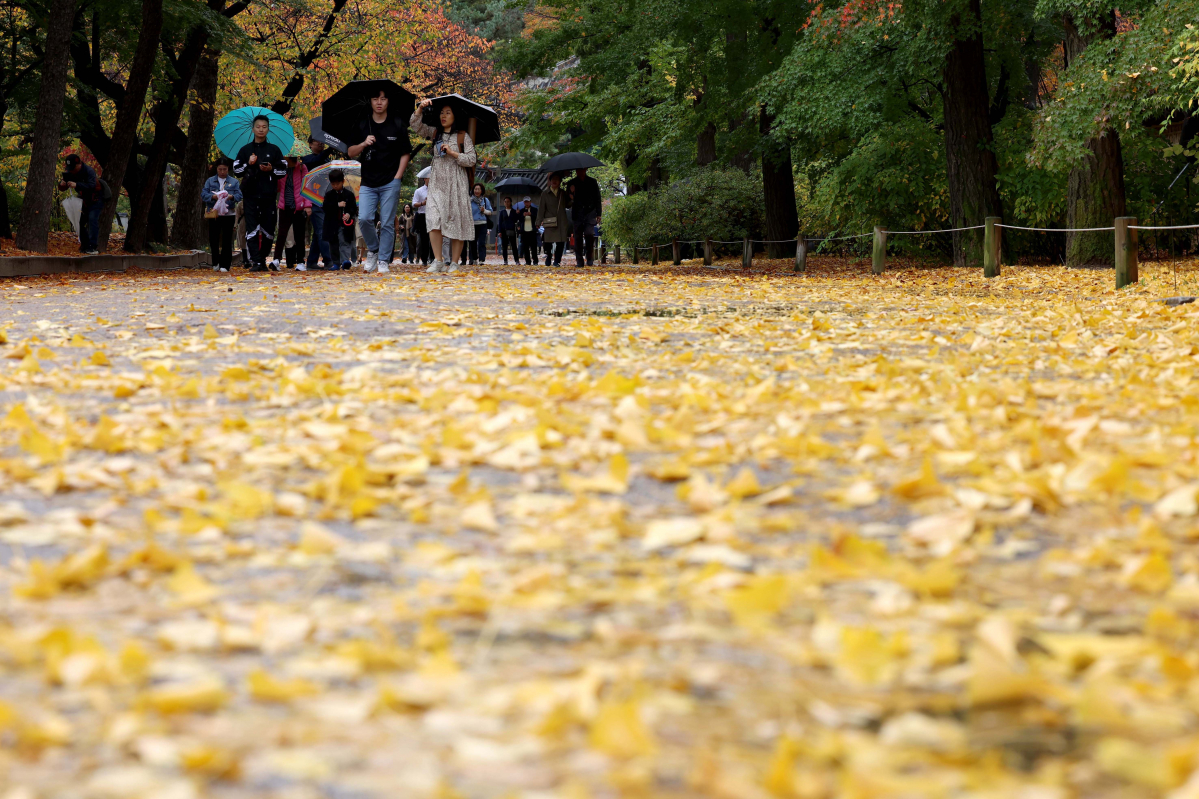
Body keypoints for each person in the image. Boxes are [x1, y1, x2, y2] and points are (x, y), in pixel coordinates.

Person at [347, 90, 412, 274]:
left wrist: (398, 176)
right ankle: (373, 250)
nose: (379, 102)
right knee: (365, 218)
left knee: (387, 222)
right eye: (375, 98)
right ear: (370, 101)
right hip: (368, 182)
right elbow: (351, 152)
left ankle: (383, 260)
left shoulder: (397, 123)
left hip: (390, 181)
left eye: (383, 98)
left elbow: (405, 152)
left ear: (388, 101)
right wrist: (363, 143)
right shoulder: (362, 124)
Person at [410, 98, 477, 273]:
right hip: (437, 181)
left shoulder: (463, 136)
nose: (443, 116)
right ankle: (438, 260)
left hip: (456, 182)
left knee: (457, 220)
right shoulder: (434, 133)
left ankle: (454, 262)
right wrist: (420, 108)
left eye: (448, 112)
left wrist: (453, 153)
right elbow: (415, 126)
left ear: (455, 116)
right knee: (432, 218)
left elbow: (471, 159)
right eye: (442, 112)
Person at [233, 115, 287, 271]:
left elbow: (283, 170)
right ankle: (255, 261)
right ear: (253, 129)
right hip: (250, 195)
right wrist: (249, 164)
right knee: (251, 228)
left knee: (269, 228)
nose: (261, 129)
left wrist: (271, 169)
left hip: (269, 195)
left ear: (268, 129)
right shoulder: (245, 150)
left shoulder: (274, 150)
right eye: (258, 127)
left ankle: (263, 259)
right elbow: (237, 170)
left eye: (264, 127)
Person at [272, 151, 312, 270]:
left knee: (299, 235)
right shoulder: (281, 168)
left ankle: (300, 262)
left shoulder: (301, 167)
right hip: (285, 205)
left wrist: (307, 205)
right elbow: (278, 187)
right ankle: (276, 260)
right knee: (281, 234)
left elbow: (307, 186)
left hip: (298, 206)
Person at [202, 160, 241, 272]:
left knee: (227, 239)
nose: (222, 171)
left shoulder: (233, 182)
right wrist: (213, 197)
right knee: (213, 238)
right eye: (220, 169)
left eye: (224, 169)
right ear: (217, 169)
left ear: (228, 169)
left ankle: (225, 264)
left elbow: (239, 195)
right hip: (214, 213)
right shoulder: (210, 181)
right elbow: (203, 194)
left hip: (229, 213)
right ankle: (215, 262)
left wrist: (230, 197)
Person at [302, 136, 334, 270]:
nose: (321, 144)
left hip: (326, 199)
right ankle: (329, 260)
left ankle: (311, 262)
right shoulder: (307, 159)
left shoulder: (327, 160)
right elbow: (317, 160)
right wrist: (331, 148)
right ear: (310, 144)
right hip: (313, 199)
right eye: (318, 141)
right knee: (322, 230)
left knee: (318, 232)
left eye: (322, 142)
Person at [59, 154, 100, 254]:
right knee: (79, 221)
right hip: (83, 201)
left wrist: (77, 185)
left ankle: (92, 246)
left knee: (92, 219)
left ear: (79, 164)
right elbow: (62, 187)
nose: (71, 170)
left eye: (73, 167)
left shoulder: (89, 171)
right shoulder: (70, 172)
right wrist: (62, 184)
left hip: (95, 199)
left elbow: (92, 186)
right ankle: (85, 245)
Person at [322, 169, 358, 270]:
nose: (335, 186)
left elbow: (353, 208)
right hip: (332, 224)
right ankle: (336, 263)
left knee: (344, 241)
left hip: (345, 224)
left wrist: (348, 214)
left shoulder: (349, 194)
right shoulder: (329, 195)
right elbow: (325, 207)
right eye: (333, 184)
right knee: (333, 244)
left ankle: (345, 260)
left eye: (337, 183)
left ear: (343, 182)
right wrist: (337, 205)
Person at [566, 167, 602, 267]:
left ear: (585, 170)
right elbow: (567, 203)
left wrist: (599, 213)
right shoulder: (571, 183)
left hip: (590, 212)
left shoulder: (592, 182)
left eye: (582, 170)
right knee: (577, 237)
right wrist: (571, 194)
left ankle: (589, 257)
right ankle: (579, 260)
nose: (580, 172)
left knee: (589, 234)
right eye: (578, 170)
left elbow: (597, 198)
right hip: (577, 213)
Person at [537, 172, 569, 267]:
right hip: (549, 220)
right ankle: (549, 255)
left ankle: (557, 261)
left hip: (561, 220)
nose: (554, 181)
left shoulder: (563, 193)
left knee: (560, 242)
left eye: (557, 179)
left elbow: (568, 205)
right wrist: (538, 221)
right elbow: (541, 208)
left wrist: (572, 196)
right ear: (550, 181)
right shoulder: (545, 194)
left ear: (559, 182)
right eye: (553, 179)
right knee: (548, 241)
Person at [468, 183, 492, 265]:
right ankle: (474, 259)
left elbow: (490, 212)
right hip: (472, 224)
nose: (476, 191)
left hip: (482, 223)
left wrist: (484, 210)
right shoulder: (470, 201)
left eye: (478, 189)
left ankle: (482, 259)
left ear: (481, 191)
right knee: (473, 243)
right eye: (475, 189)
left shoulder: (485, 200)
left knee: (482, 242)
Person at [412, 177, 431, 266]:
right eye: (429, 178)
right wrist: (423, 203)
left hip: (434, 215)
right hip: (423, 215)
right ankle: (424, 259)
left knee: (435, 237)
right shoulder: (419, 191)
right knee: (424, 238)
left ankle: (434, 258)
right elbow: (414, 204)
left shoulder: (437, 190)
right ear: (425, 179)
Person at [517, 195, 538, 265]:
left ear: (530, 202)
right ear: (524, 203)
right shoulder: (521, 210)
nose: (527, 203)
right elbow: (519, 220)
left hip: (532, 231)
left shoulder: (534, 210)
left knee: (534, 247)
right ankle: (528, 261)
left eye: (528, 202)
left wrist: (531, 214)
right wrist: (522, 215)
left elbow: (537, 218)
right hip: (524, 231)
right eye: (525, 202)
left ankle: (535, 261)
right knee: (525, 247)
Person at [496, 196, 519, 265]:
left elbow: (516, 220)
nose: (506, 203)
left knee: (514, 246)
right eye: (505, 201)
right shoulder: (502, 212)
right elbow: (500, 222)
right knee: (504, 246)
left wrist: (518, 213)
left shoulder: (514, 211)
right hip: (504, 230)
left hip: (512, 230)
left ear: (510, 202)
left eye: (508, 201)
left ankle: (517, 260)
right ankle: (505, 260)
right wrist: (499, 231)